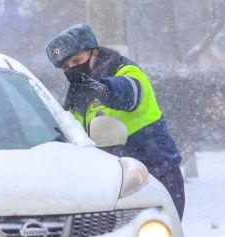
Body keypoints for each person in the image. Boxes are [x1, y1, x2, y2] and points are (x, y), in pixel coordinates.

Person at [46, 24, 185, 219]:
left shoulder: (125, 70)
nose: (72, 68)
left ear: (94, 53)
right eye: (66, 66)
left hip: (155, 178)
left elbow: (132, 93)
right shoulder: (77, 95)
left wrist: (105, 89)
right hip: (112, 187)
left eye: (77, 60)